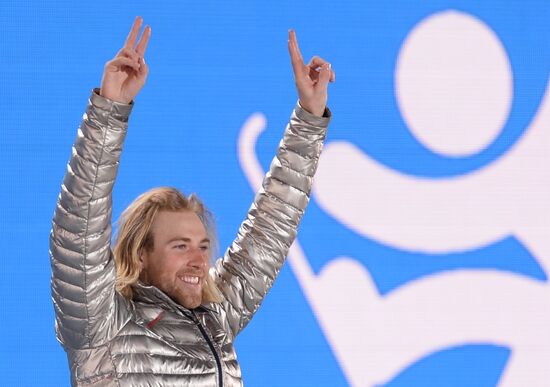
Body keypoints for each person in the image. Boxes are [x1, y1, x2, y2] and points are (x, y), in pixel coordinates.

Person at [49, 16, 335, 386]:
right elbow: (76, 234)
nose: (199, 260)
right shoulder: (101, 326)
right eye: (180, 246)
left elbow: (269, 230)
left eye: (202, 246)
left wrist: (309, 117)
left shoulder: (214, 317)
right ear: (140, 254)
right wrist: (109, 111)